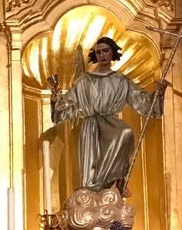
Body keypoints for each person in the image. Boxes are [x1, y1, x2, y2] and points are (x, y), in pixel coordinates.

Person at [50, 36, 168, 196]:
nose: (102, 55)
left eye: (105, 50)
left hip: (111, 123)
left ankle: (117, 179)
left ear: (112, 52)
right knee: (92, 167)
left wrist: (158, 94)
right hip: (91, 126)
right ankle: (94, 188)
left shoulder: (121, 81)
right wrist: (55, 101)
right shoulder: (84, 81)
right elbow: (66, 107)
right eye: (98, 52)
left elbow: (142, 101)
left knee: (125, 133)